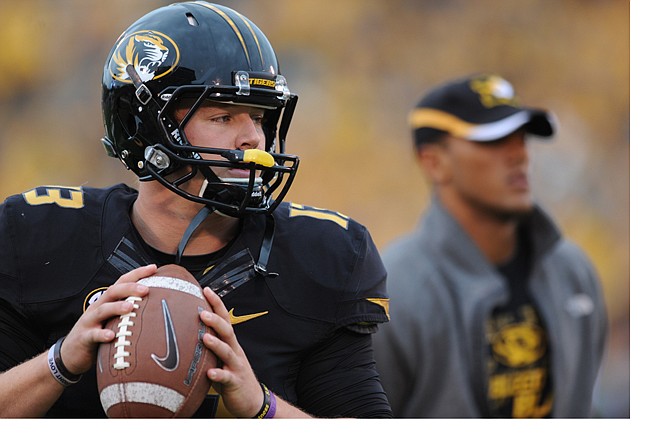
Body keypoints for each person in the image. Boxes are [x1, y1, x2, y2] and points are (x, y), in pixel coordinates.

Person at [0, 2, 391, 418]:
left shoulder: (323, 254)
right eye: (223, 116)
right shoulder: (40, 235)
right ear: (144, 127)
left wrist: (264, 409)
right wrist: (60, 362)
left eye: (259, 116)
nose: (253, 139)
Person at [371, 73, 607, 418]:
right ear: (433, 161)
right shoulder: (394, 292)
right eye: (493, 140)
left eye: (521, 137)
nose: (520, 155)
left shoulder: (574, 272)